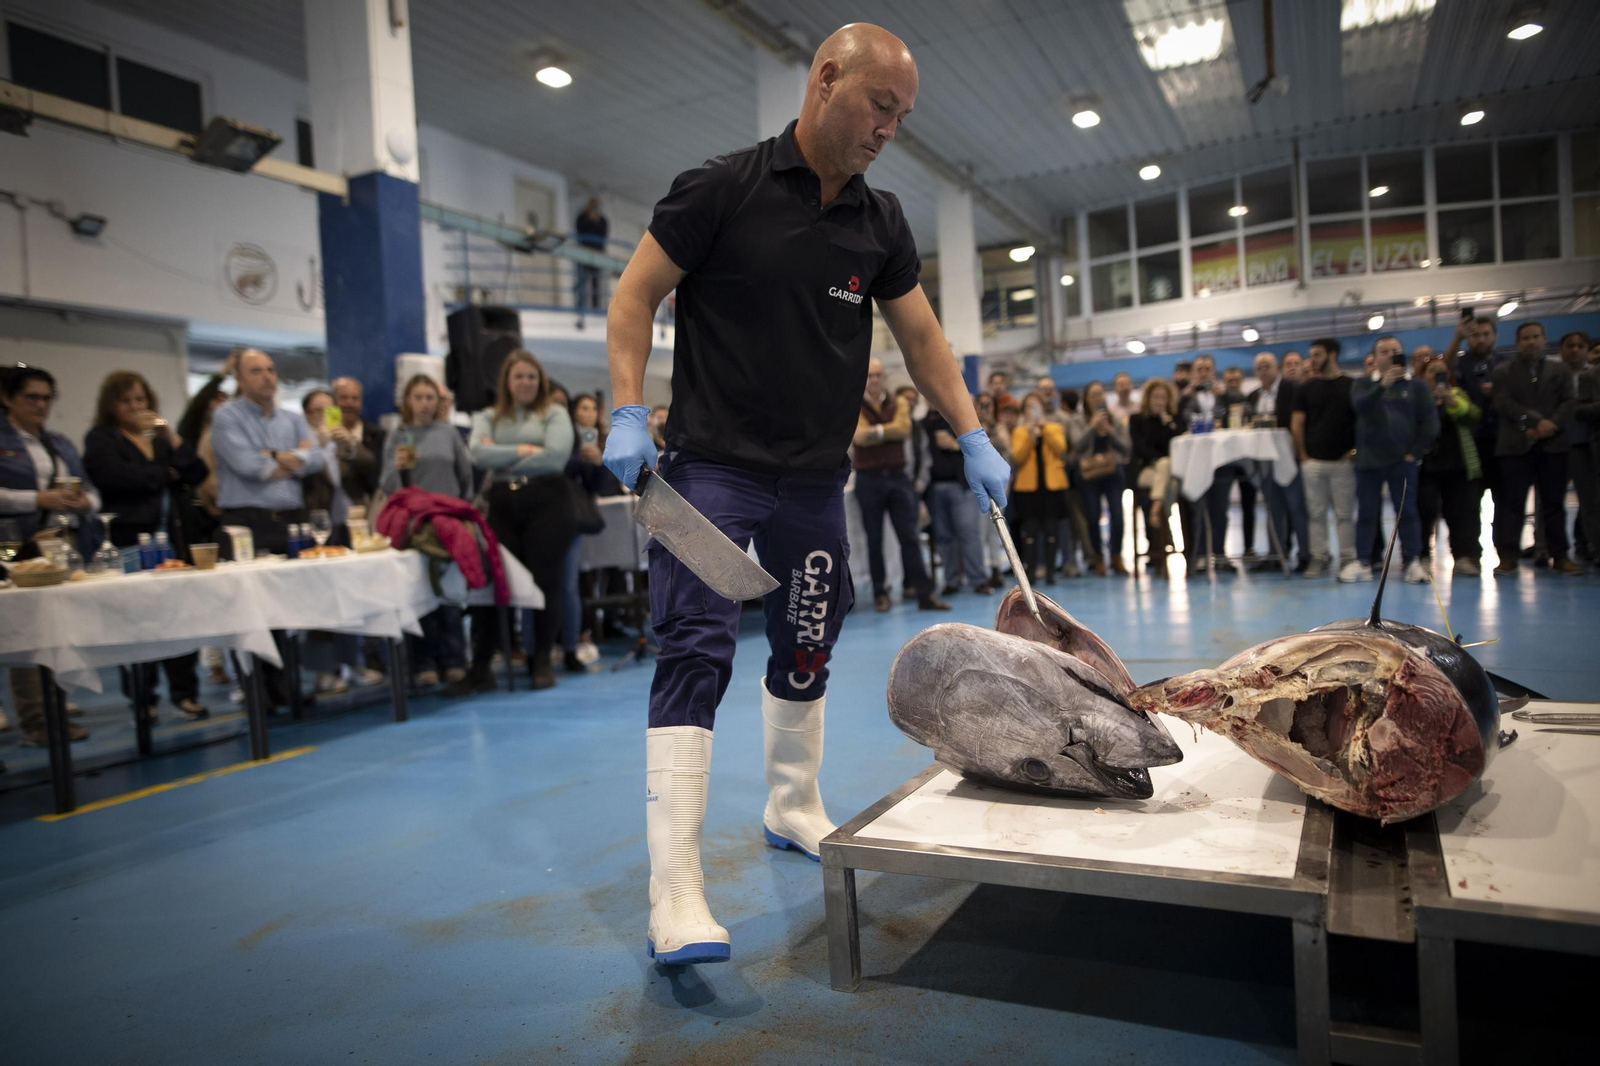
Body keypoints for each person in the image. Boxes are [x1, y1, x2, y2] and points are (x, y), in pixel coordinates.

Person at [599, 23, 1011, 967]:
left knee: (808, 642)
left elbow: (922, 340)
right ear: (827, 80)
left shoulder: (882, 221)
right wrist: (626, 410)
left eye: (901, 118)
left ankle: (791, 803)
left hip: (815, 484)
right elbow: (633, 300)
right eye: (880, 107)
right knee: (695, 649)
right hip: (712, 474)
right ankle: (677, 890)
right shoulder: (721, 188)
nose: (888, 131)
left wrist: (974, 432)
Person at [82, 370, 210, 720]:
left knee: (181, 619)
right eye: (126, 401)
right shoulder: (102, 438)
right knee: (136, 621)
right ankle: (143, 697)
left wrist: (171, 437)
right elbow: (114, 479)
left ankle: (185, 692)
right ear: (112, 405)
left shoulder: (159, 439)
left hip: (175, 538)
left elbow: (195, 472)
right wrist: (163, 475)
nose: (135, 407)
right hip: (130, 540)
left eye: (141, 400)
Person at [210, 350, 327, 704]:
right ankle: (254, 689)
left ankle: (284, 687)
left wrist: (274, 455)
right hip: (246, 522)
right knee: (249, 610)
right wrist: (291, 456)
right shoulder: (226, 418)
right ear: (241, 380)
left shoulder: (292, 418)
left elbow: (317, 459)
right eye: (256, 371)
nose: (267, 377)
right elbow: (248, 466)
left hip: (289, 521)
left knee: (286, 608)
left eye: (271, 370)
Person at [461, 350, 577, 691]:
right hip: (501, 505)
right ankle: (481, 665)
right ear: (506, 382)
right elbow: (478, 454)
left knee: (545, 583)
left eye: (531, 376)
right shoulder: (489, 415)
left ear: (539, 381)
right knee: (492, 581)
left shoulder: (554, 413)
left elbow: (556, 458)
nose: (525, 382)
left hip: (548, 503)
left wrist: (505, 458)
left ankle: (540, 660)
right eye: (518, 376)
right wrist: (528, 451)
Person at [1, 365, 99, 747]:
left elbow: (90, 489)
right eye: (31, 397)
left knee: (52, 628)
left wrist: (85, 502)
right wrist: (35, 499)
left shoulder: (59, 443)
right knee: (21, 628)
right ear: (8, 398)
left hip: (57, 543)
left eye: (46, 398)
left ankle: (48, 712)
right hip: (10, 543)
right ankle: (35, 717)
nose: (41, 405)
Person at [381, 374, 475, 686]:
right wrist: (399, 468)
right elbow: (388, 486)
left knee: (449, 591)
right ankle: (423, 663)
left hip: (448, 522)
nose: (424, 403)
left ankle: (453, 659)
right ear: (407, 401)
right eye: (418, 397)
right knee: (418, 592)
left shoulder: (448, 433)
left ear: (438, 402)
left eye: (429, 397)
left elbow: (466, 477)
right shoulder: (399, 435)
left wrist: (463, 511)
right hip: (414, 526)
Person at [853, 358, 950, 612]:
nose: (874, 379)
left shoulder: (901, 403)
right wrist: (887, 431)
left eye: (877, 375)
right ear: (864, 378)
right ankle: (880, 594)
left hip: (897, 478)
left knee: (910, 537)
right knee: (873, 539)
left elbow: (903, 430)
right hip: (868, 480)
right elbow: (859, 437)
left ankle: (924, 594)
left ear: (885, 377)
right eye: (869, 375)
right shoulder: (853, 404)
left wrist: (875, 432)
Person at [1491, 321, 1579, 575]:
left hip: (1553, 444)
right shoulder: (1503, 371)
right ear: (1519, 342)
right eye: (1526, 338)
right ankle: (1508, 557)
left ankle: (1560, 556)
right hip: (1515, 447)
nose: (1531, 341)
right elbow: (1503, 403)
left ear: (1544, 339)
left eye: (1535, 337)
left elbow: (1569, 402)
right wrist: (1533, 422)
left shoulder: (1559, 370)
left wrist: (1550, 424)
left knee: (1553, 504)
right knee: (1511, 505)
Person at [1351, 336, 1438, 584]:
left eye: (1394, 351)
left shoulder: (1417, 387)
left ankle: (1412, 561)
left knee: (1407, 512)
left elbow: (1430, 422)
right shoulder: (1363, 384)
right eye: (1383, 352)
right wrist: (1383, 385)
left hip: (1402, 461)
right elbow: (1361, 407)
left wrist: (1416, 452)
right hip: (1368, 462)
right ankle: (1363, 562)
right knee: (1367, 512)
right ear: (1375, 357)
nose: (1389, 355)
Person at [561, 393, 622, 668]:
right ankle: (579, 634)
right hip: (572, 515)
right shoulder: (567, 440)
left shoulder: (603, 440)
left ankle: (604, 624)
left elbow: (601, 481)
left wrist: (598, 462)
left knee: (611, 572)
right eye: (583, 408)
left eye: (592, 409)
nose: (588, 413)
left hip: (596, 515)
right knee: (578, 581)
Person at [1292, 339, 1359, 579]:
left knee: (1344, 514)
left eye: (1317, 355)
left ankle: (1347, 559)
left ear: (1333, 354)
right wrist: (1303, 456)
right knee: (1316, 514)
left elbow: (1361, 421)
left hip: (1343, 464)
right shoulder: (1306, 389)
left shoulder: (1352, 385)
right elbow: (1297, 424)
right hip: (1314, 463)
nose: (1312, 360)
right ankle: (1319, 557)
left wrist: (1353, 451)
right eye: (1311, 355)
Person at [1414, 355, 1483, 576]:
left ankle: (1463, 556)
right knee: (1424, 511)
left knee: (1461, 513)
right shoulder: (1415, 398)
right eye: (1431, 371)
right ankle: (1422, 556)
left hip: (1457, 465)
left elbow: (1473, 415)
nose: (1435, 375)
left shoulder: (1458, 394)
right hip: (1425, 466)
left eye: (1440, 371)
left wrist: (1449, 400)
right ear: (1422, 376)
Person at [1247, 351, 1310, 570]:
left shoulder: (1293, 390)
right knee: (1273, 510)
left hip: (1289, 458)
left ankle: (1305, 555)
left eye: (1268, 366)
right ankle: (1276, 555)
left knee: (1297, 508)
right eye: (1259, 367)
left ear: (1277, 368)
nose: (1264, 371)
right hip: (1264, 463)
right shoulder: (1253, 397)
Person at [925, 398, 990, 594]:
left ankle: (978, 579)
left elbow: (979, 450)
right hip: (934, 487)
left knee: (968, 533)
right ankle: (951, 580)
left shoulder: (960, 422)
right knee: (944, 537)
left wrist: (954, 445)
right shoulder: (922, 425)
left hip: (961, 485)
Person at [1072, 380, 1131, 575]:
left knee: (1118, 515)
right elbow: (1076, 446)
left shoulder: (1114, 420)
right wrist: (1092, 427)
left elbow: (1126, 448)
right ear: (1086, 400)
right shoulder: (1078, 421)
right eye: (1093, 395)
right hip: (1089, 475)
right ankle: (1098, 558)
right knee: (1093, 516)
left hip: (1113, 473)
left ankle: (1116, 556)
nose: (1098, 398)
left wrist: (1109, 430)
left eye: (1100, 394)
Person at [1012, 390, 1070, 582]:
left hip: (1052, 487)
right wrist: (1030, 436)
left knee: (1052, 530)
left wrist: (1043, 428)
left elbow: (1061, 449)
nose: (1032, 410)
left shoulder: (1053, 428)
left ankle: (1052, 572)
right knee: (1030, 532)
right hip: (1028, 489)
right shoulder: (1019, 432)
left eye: (1035, 405)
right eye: (1028, 406)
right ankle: (1031, 573)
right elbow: (1017, 457)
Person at [1128, 378, 1182, 577]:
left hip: (1165, 473)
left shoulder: (1173, 421)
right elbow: (1141, 448)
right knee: (1165, 468)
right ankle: (1167, 536)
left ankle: (1157, 508)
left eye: (1163, 397)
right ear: (1148, 398)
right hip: (1145, 472)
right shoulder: (1137, 419)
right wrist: (1159, 458)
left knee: (1169, 477)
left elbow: (1178, 445)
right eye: (1156, 397)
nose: (1159, 401)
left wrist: (1167, 423)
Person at [1556, 331, 1596, 564]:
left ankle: (1590, 545)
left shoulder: (1592, 376)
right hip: (1555, 443)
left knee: (1589, 501)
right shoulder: (1554, 375)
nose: (1575, 350)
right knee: (1549, 502)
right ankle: (1547, 548)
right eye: (1570, 345)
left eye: (1581, 346)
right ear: (1561, 349)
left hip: (1586, 445)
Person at [329, 377, 384, 514]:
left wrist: (351, 444)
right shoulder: (325, 435)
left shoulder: (377, 434)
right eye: (344, 397)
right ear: (333, 401)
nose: (349, 403)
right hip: (331, 508)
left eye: (355, 398)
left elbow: (377, 471)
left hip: (366, 509)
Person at [574, 197, 609, 311]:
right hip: (583, 253)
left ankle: (595, 307)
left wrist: (596, 221)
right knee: (582, 280)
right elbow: (579, 229)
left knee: (596, 282)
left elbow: (604, 234)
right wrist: (589, 220)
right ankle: (580, 307)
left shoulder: (602, 220)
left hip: (597, 254)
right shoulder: (582, 218)